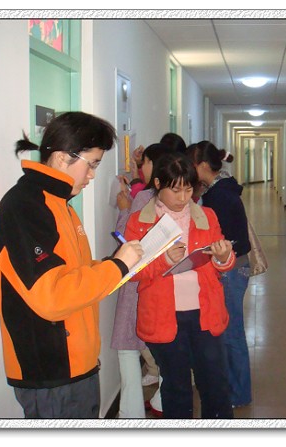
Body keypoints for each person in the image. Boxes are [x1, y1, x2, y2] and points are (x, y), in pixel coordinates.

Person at [0, 111, 144, 418]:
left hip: (78, 365)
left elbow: (75, 274)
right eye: (92, 164)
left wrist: (119, 264)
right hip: (52, 372)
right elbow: (53, 297)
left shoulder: (60, 205)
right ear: (62, 157)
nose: (93, 176)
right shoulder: (25, 208)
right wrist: (116, 267)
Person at [124, 152, 235, 419]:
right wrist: (163, 261)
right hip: (164, 316)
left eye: (188, 189)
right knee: (176, 388)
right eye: (175, 190)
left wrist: (223, 257)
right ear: (158, 184)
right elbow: (131, 272)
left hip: (204, 312)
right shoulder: (139, 222)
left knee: (215, 385)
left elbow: (222, 263)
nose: (183, 198)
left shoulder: (206, 216)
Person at [110, 143, 174, 418]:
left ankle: (131, 414)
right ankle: (162, 401)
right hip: (162, 281)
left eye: (144, 163)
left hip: (137, 281)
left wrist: (123, 209)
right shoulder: (172, 198)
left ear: (153, 166)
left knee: (127, 348)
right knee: (162, 347)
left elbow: (126, 239)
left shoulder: (144, 198)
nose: (142, 168)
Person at [188, 140, 252, 408]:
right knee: (230, 330)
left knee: (231, 331)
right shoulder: (221, 188)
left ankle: (238, 393)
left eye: (191, 165)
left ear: (203, 165)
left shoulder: (219, 197)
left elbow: (222, 240)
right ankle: (235, 388)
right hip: (237, 267)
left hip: (232, 270)